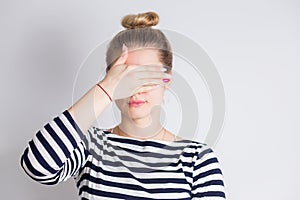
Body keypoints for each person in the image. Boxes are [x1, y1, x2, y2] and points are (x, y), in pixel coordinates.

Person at [20, 11, 226, 199]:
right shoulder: (90, 146)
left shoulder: (197, 160)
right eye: (126, 77)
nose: (136, 89)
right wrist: (107, 87)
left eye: (147, 75)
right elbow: (38, 167)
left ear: (167, 79)